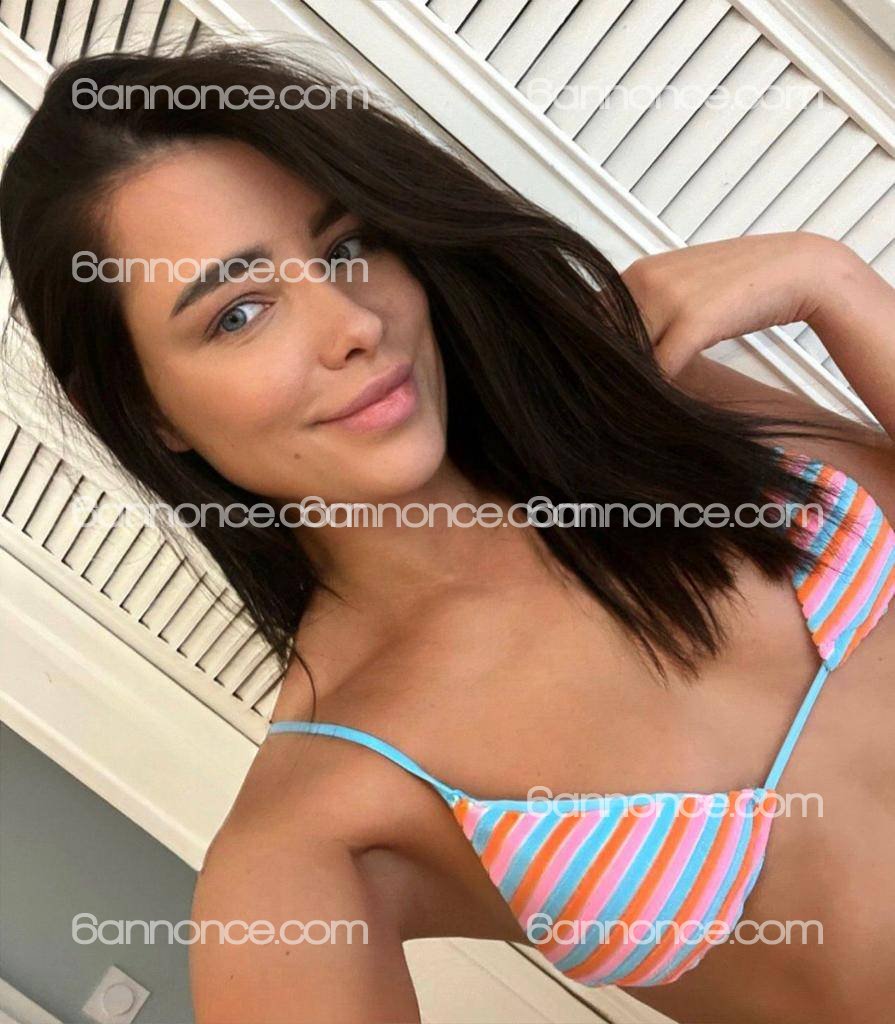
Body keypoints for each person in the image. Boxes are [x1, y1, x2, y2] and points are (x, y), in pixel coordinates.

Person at [2, 43, 893, 1024]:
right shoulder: (316, 828)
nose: (350, 324)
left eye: (345, 248)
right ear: (143, 409)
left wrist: (831, 282)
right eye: (240, 312)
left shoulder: (635, 404)